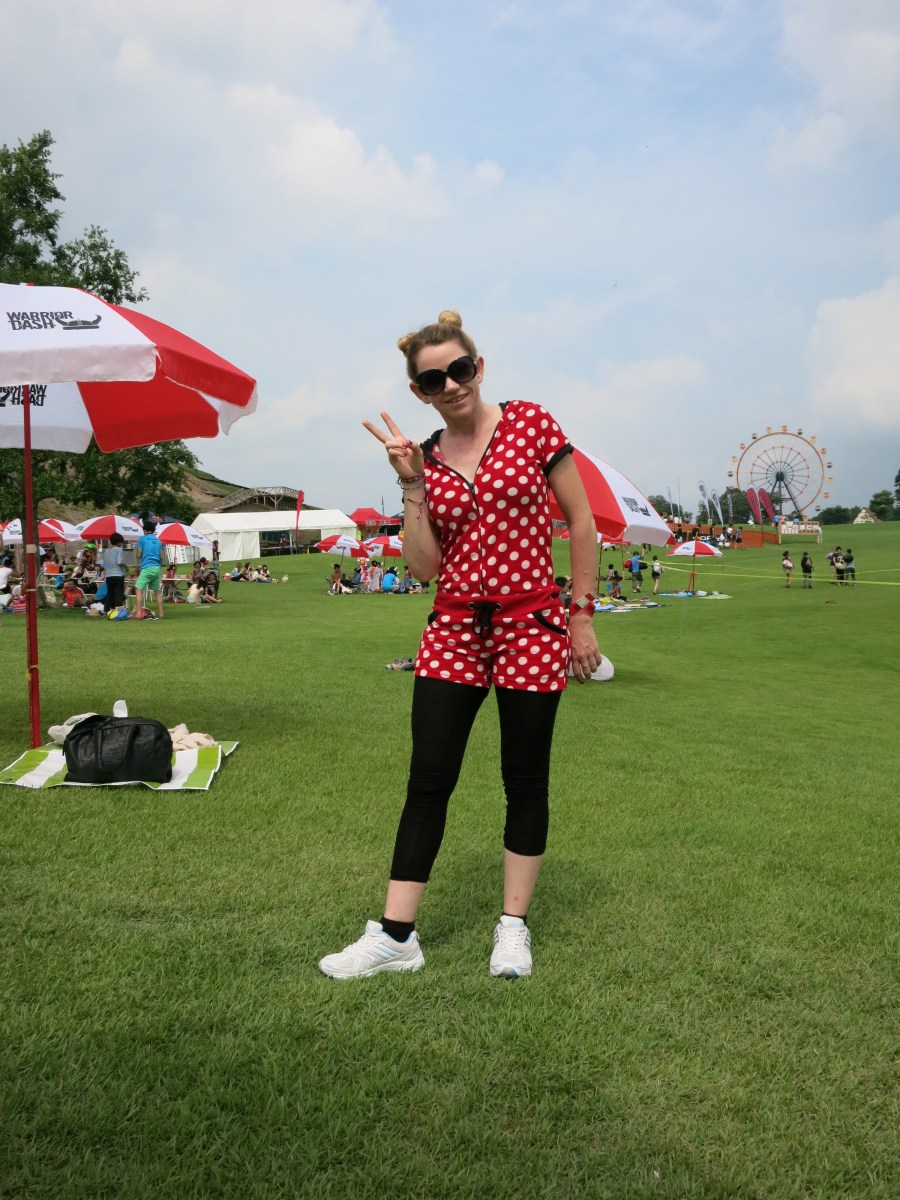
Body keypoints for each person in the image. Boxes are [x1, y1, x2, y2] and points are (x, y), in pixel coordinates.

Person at [319, 309, 601, 981]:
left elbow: (582, 521)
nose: (451, 385)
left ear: (480, 366)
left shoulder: (531, 424)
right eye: (433, 379)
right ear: (419, 392)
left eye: (460, 369)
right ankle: (396, 936)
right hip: (453, 629)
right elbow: (423, 567)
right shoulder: (427, 458)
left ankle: (513, 927)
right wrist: (412, 483)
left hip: (532, 625)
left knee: (524, 779)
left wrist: (582, 616)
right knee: (428, 778)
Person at [133, 519, 164, 619]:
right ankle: (161, 614)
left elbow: (138, 555)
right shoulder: (158, 541)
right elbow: (161, 557)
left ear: (144, 530)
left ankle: (138, 614)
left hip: (147, 567)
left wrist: (138, 552)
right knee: (157, 592)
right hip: (156, 568)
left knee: (138, 589)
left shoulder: (142, 539)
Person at [102, 533, 127, 612]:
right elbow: (120, 562)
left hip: (109, 576)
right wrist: (126, 566)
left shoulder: (106, 551)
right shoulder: (118, 549)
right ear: (119, 542)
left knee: (110, 594)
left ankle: (106, 610)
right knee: (119, 594)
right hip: (118, 575)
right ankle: (118, 611)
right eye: (121, 542)